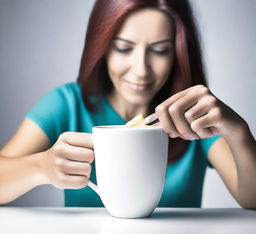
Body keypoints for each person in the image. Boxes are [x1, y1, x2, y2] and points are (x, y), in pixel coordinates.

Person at [0, 0, 255, 208]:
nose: (141, 70)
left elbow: (252, 199)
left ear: (177, 54)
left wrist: (239, 131)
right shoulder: (67, 104)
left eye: (159, 50)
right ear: (102, 49)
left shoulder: (191, 116)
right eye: (124, 48)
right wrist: (41, 167)